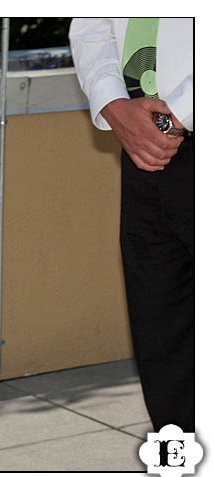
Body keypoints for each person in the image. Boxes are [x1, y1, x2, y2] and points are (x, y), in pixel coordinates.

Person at [69, 18, 193, 432]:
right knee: (163, 336)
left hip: (167, 126)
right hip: (144, 137)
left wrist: (180, 112)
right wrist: (114, 104)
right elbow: (91, 23)